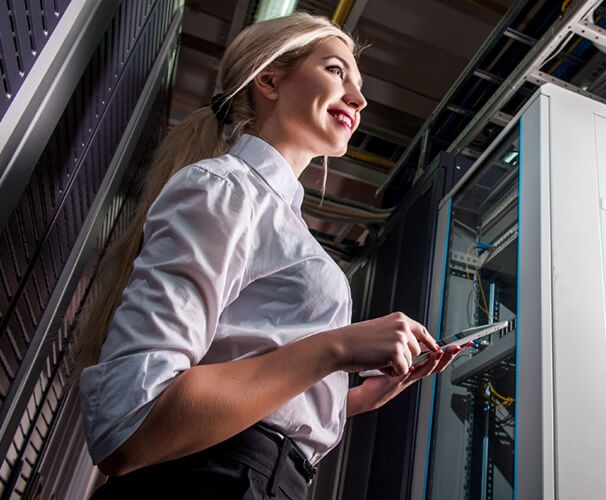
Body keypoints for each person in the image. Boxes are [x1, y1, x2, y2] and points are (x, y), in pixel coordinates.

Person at [76, 12, 461, 499]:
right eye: (336, 70)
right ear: (270, 81)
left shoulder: (278, 216)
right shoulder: (225, 189)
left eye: (359, 85)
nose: (359, 99)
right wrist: (336, 349)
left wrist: (349, 399)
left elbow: (246, 379)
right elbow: (128, 424)